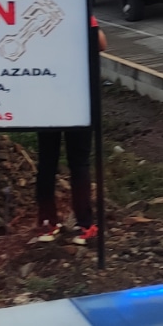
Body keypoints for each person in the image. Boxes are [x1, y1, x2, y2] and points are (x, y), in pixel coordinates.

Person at [39, 18, 108, 244]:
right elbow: (102, 44)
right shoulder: (82, 15)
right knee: (79, 162)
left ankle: (47, 224)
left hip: (46, 97)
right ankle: (85, 225)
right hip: (79, 99)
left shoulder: (39, 20)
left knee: (47, 161)